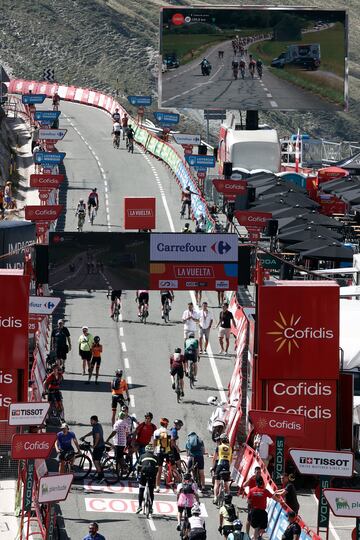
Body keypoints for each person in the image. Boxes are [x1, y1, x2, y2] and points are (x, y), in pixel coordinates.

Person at [81, 416, 106, 482]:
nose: (90, 422)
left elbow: (97, 436)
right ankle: (99, 474)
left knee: (96, 461)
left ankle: (101, 477)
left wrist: (94, 445)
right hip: (100, 446)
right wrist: (85, 436)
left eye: (91, 421)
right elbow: (92, 432)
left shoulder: (96, 427)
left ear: (94, 421)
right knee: (95, 460)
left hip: (99, 447)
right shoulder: (97, 425)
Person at [136, 444, 159, 515]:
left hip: (143, 473)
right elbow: (157, 468)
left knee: (141, 489)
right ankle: (151, 507)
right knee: (151, 491)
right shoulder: (155, 457)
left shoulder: (142, 456)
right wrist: (154, 477)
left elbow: (138, 467)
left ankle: (139, 506)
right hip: (152, 474)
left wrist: (138, 475)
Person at [153, 417, 172, 492]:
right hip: (167, 451)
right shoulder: (168, 432)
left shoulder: (156, 432)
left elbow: (154, 443)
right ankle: (168, 482)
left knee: (159, 470)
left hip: (159, 452)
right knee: (169, 467)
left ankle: (157, 486)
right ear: (166, 424)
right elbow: (170, 443)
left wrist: (154, 451)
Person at [242, 466, 262, 536]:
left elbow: (263, 488)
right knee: (249, 519)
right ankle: (247, 534)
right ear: (254, 472)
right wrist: (250, 479)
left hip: (259, 502)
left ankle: (256, 535)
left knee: (258, 519)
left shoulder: (261, 479)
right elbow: (244, 485)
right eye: (257, 472)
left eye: (260, 472)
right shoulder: (252, 479)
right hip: (251, 501)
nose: (259, 474)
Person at [213, 434, 232, 504]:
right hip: (227, 465)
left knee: (216, 483)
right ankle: (229, 499)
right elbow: (230, 459)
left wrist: (213, 466)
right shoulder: (230, 448)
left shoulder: (219, 447)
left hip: (220, 464)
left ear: (221, 440)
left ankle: (215, 497)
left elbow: (215, 458)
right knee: (226, 484)